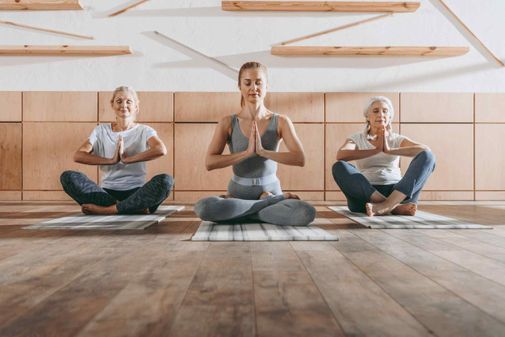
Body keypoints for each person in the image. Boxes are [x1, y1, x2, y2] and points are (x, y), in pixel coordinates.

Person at [194, 62, 316, 226]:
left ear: (267, 86)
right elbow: (209, 163)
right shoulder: (227, 122)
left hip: (267, 191)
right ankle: (264, 207)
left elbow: (299, 159)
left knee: (306, 212)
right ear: (239, 86)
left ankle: (242, 213)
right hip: (239, 194)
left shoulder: (281, 121)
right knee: (204, 207)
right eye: (247, 83)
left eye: (259, 82)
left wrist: (263, 152)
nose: (254, 88)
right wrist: (246, 153)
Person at [60, 86, 173, 215]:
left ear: (136, 106)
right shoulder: (100, 130)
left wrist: (127, 159)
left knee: (166, 181)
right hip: (106, 194)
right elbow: (78, 155)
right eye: (119, 101)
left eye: (128, 101)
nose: (123, 105)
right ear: (112, 105)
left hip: (137, 192)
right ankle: (131, 208)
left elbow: (160, 149)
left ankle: (109, 210)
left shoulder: (145, 130)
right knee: (68, 177)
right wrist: (112, 160)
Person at [332, 96, 435, 216]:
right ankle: (393, 207)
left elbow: (425, 150)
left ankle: (387, 205)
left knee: (428, 157)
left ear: (389, 117)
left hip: (398, 192)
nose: (381, 114)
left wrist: (389, 150)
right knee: (339, 166)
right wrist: (376, 150)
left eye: (385, 111)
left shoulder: (396, 139)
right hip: (365, 195)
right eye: (376, 111)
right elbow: (341, 155)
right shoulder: (357, 138)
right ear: (367, 116)